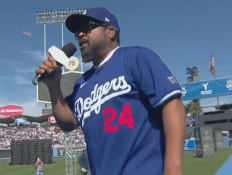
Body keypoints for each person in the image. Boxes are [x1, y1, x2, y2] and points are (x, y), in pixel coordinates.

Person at [35, 7, 186, 175]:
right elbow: (68, 123)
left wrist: (173, 169)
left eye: (87, 27)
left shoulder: (137, 57)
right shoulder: (82, 83)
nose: (80, 35)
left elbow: (173, 103)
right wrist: (53, 86)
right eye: (78, 31)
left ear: (111, 32)